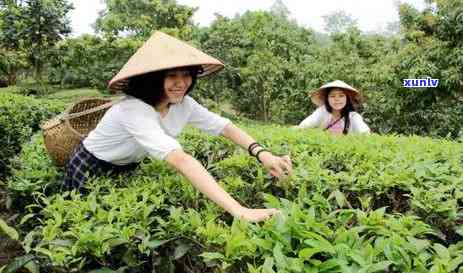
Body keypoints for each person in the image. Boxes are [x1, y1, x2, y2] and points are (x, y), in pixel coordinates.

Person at [64, 31, 292, 223]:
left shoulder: (185, 105)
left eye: (186, 75)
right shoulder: (133, 110)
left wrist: (262, 154)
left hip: (127, 165)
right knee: (86, 218)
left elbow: (225, 127)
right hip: (91, 163)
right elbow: (180, 159)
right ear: (152, 79)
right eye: (171, 75)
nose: (181, 83)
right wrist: (239, 210)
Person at [296, 80, 370, 134]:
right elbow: (304, 126)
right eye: (332, 96)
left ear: (347, 99)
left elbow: (364, 132)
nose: (337, 99)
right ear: (327, 99)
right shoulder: (322, 111)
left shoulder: (353, 116)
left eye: (341, 96)